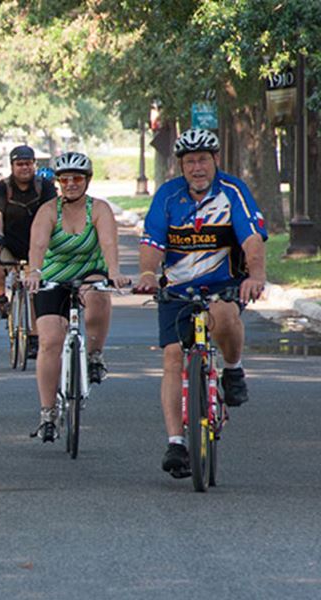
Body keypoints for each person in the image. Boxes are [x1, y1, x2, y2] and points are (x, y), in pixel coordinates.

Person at [135, 128, 267, 476]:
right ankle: (176, 443)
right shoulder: (167, 196)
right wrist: (148, 274)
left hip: (223, 284)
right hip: (177, 289)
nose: (197, 168)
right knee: (172, 356)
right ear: (180, 165)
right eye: (190, 161)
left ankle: (233, 370)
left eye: (203, 160)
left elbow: (252, 239)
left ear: (215, 161)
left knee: (223, 318)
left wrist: (255, 276)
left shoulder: (233, 191)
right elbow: (152, 242)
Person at [26, 152, 130, 441]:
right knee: (50, 342)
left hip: (90, 272)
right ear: (58, 182)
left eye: (77, 178)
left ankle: (95, 355)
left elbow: (108, 242)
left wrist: (114, 271)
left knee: (97, 296)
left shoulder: (99, 209)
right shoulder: (48, 210)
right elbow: (38, 244)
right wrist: (34, 271)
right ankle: (48, 414)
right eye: (65, 179)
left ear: (87, 180)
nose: (71, 184)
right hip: (52, 277)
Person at [0, 145, 57, 357]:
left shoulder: (45, 187)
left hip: (38, 247)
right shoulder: (1, 188)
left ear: (34, 164)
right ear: (12, 166)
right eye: (20, 164)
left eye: (28, 163)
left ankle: (34, 338)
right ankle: (0, 300)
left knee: (35, 289)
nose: (24, 168)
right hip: (8, 243)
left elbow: (51, 214)